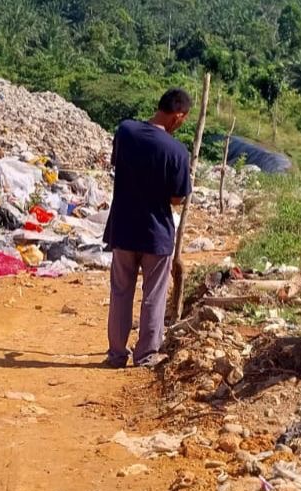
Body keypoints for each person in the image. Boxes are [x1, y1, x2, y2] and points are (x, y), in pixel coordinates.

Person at [103, 88, 193, 368]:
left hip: (124, 229)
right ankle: (146, 354)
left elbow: (116, 164)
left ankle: (117, 354)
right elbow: (177, 199)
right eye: (183, 119)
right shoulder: (177, 151)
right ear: (178, 115)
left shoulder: (126, 131)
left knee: (120, 291)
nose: (182, 123)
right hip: (156, 234)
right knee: (153, 295)